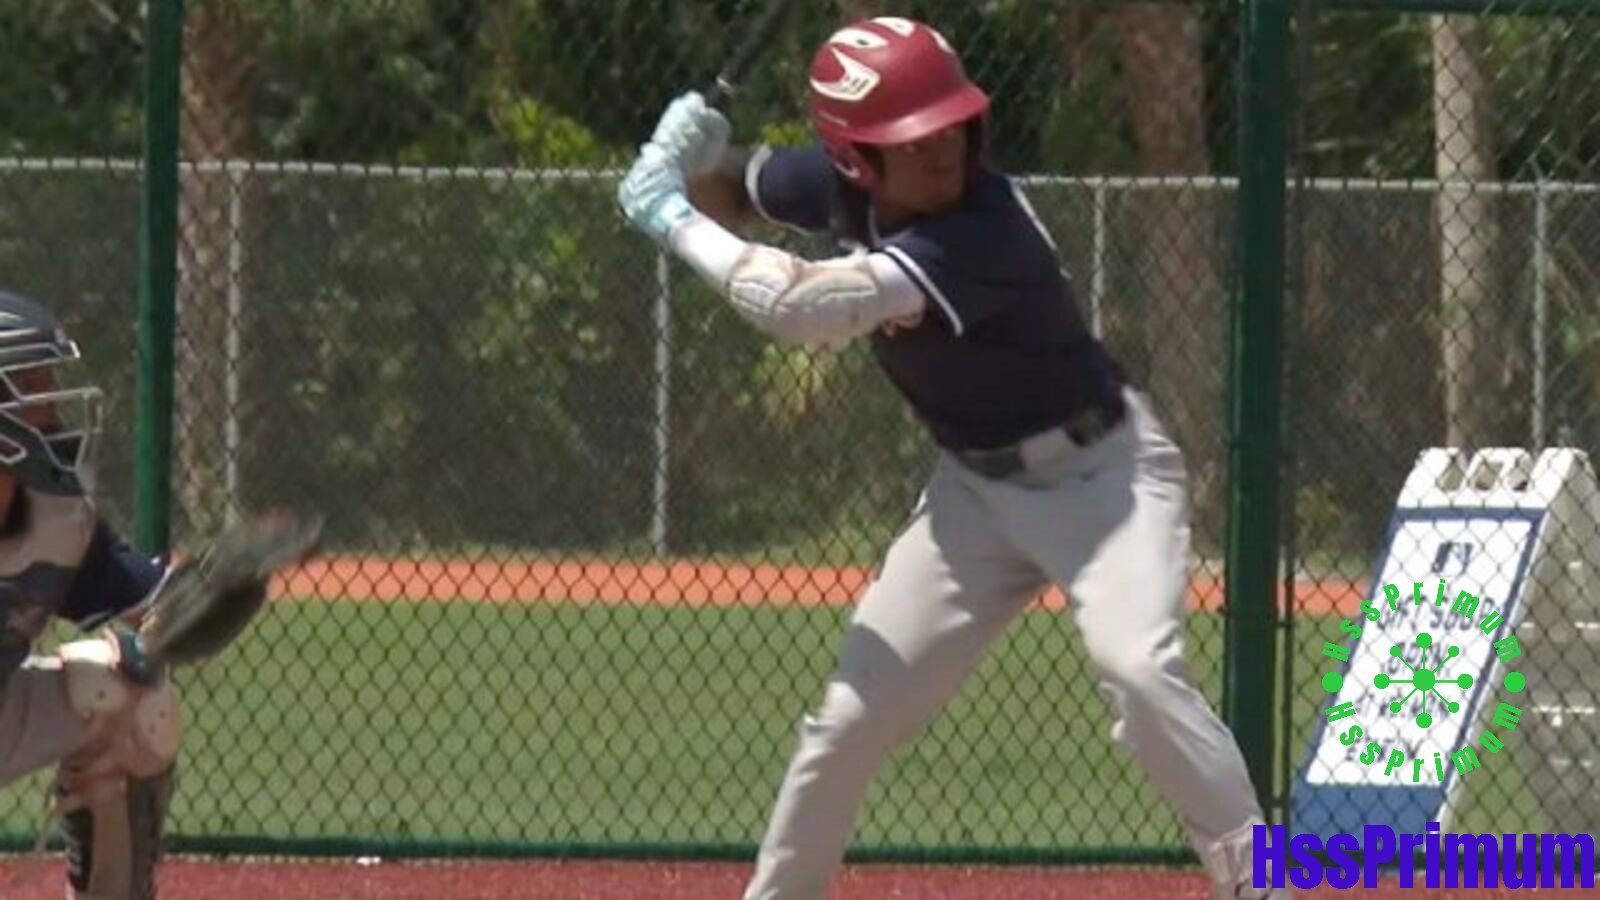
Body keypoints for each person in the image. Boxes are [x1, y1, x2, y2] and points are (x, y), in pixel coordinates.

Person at [618, 16, 1291, 900]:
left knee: (1140, 673)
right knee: (847, 724)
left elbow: (799, 308)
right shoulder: (834, 187)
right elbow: (736, 192)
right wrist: (694, 156)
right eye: (912, 138)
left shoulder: (983, 231)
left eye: (952, 126)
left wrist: (665, 212)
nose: (942, 150)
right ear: (857, 159)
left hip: (1105, 482)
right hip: (974, 496)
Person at [0, 289, 180, 900]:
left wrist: (223, 587)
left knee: (133, 696)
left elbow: (151, 602)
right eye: (33, 386)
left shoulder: (53, 514)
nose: (57, 403)